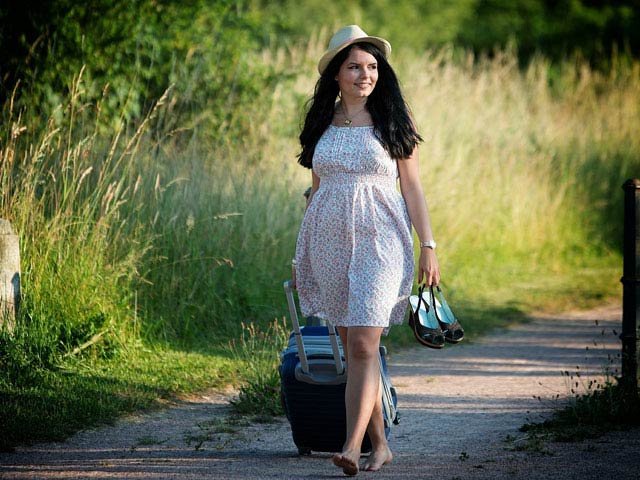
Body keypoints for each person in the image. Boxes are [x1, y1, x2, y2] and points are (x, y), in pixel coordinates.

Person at [292, 25, 440, 476]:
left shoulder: (394, 119)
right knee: (354, 349)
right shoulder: (322, 121)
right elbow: (316, 190)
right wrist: (301, 256)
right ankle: (381, 445)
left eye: (372, 67)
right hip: (328, 242)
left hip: (382, 240)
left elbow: (412, 187)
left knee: (362, 344)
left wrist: (428, 245)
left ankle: (351, 446)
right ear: (336, 74)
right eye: (355, 67)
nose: (365, 75)